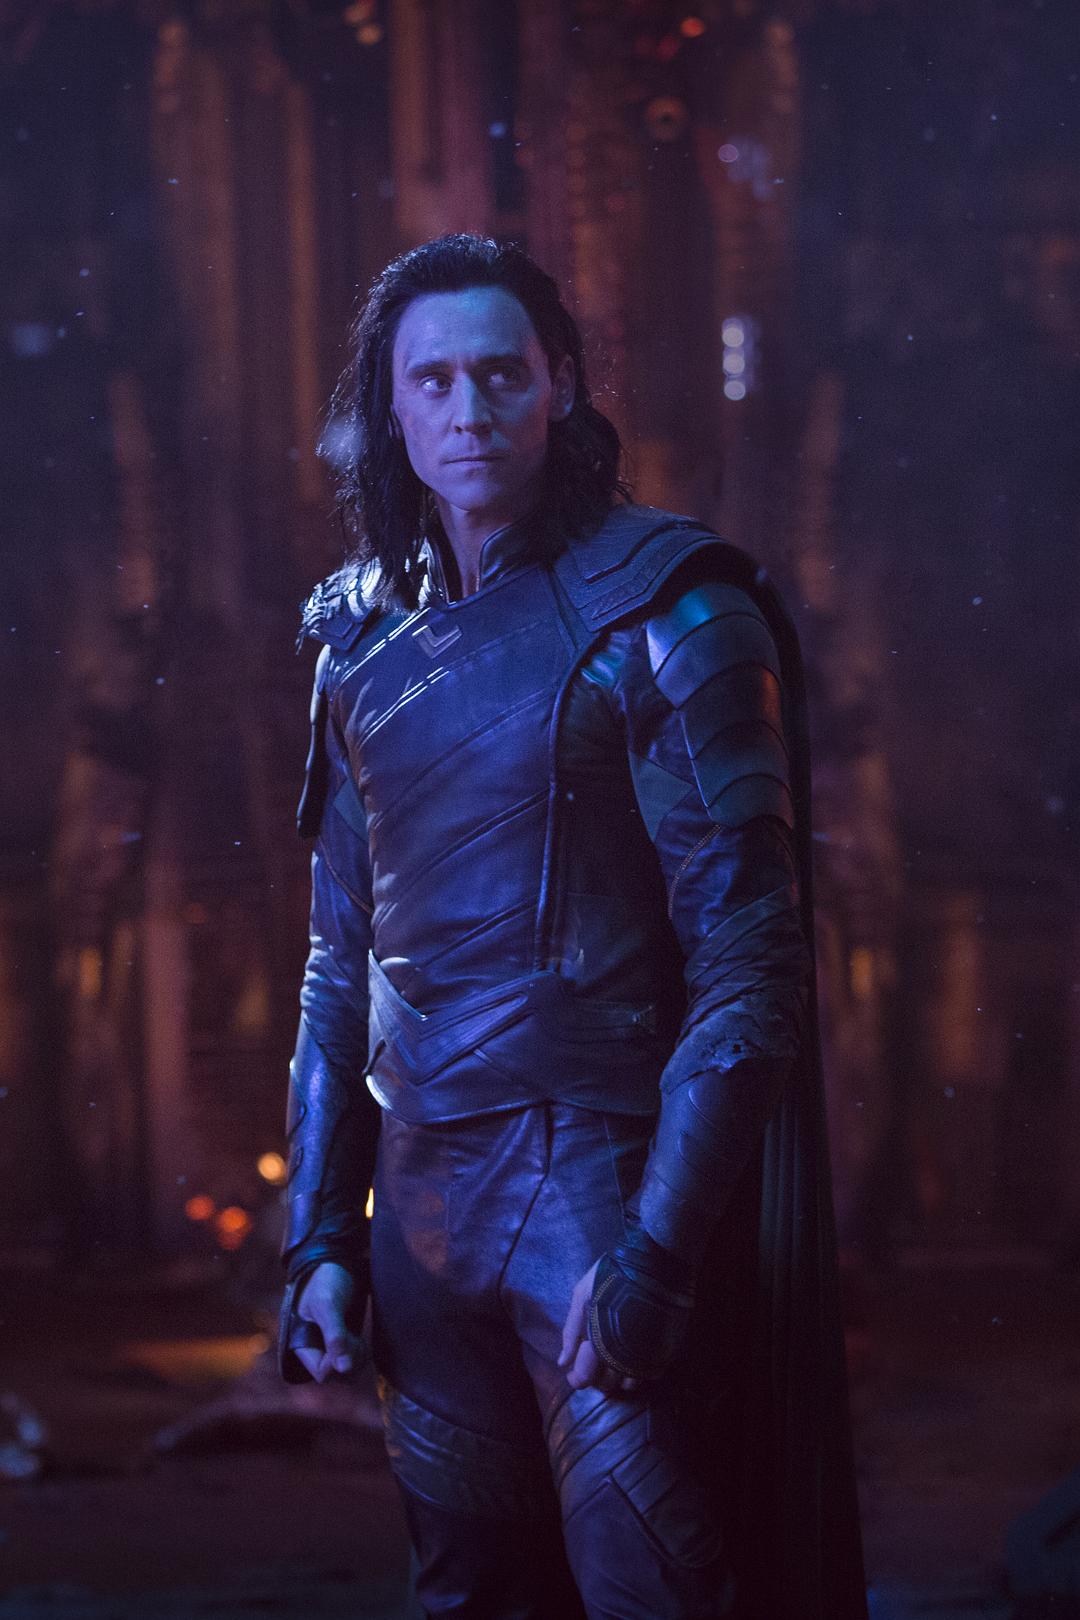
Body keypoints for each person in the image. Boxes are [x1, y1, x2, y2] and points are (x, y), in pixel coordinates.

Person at [277, 232, 867, 1620]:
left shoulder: (669, 609)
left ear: (559, 384)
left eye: (501, 374)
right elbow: (339, 963)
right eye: (433, 381)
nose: (469, 410)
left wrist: (657, 1251)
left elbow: (749, 961)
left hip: (599, 1201)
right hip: (423, 1215)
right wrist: (320, 1238)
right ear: (390, 408)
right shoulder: (358, 640)